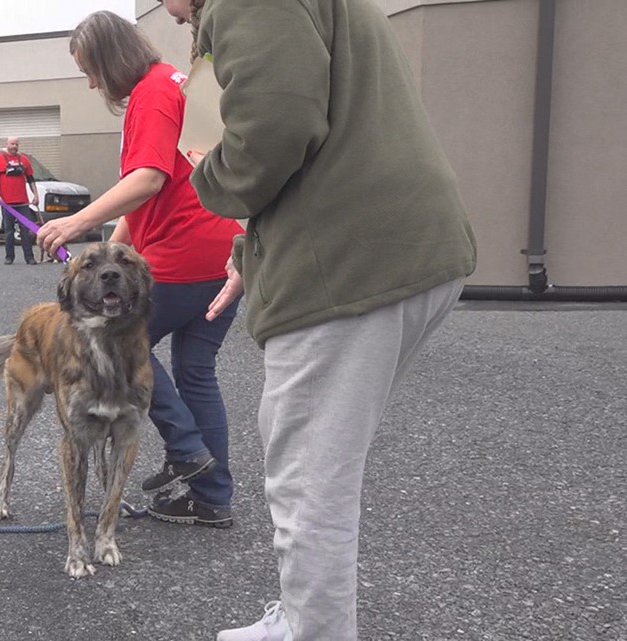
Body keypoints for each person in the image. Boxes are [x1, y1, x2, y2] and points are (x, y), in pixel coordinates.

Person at [159, 0, 478, 639]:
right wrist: (250, 251)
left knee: (310, 483)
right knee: (302, 448)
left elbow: (273, 129)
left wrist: (207, 178)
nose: (169, 13)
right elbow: (323, 125)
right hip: (397, 248)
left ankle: (315, 630)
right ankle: (303, 616)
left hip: (347, 261)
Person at [36, 11, 244, 528]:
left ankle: (187, 450)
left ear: (110, 58)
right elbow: (147, 197)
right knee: (196, 372)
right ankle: (210, 497)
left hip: (184, 252)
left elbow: (147, 179)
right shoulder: (172, 80)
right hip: (227, 251)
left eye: (91, 70)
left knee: (120, 345)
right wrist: (108, 253)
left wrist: (74, 223)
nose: (90, 83)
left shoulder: (152, 93)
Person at [0, 136, 40, 265]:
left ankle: (29, 257)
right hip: (6, 203)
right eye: (12, 144)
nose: (14, 146)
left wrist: (36, 195)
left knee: (26, 231)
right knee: (9, 231)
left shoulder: (24, 160)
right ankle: (9, 257)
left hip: (23, 202)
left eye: (16, 144)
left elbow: (30, 178)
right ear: (7, 144)